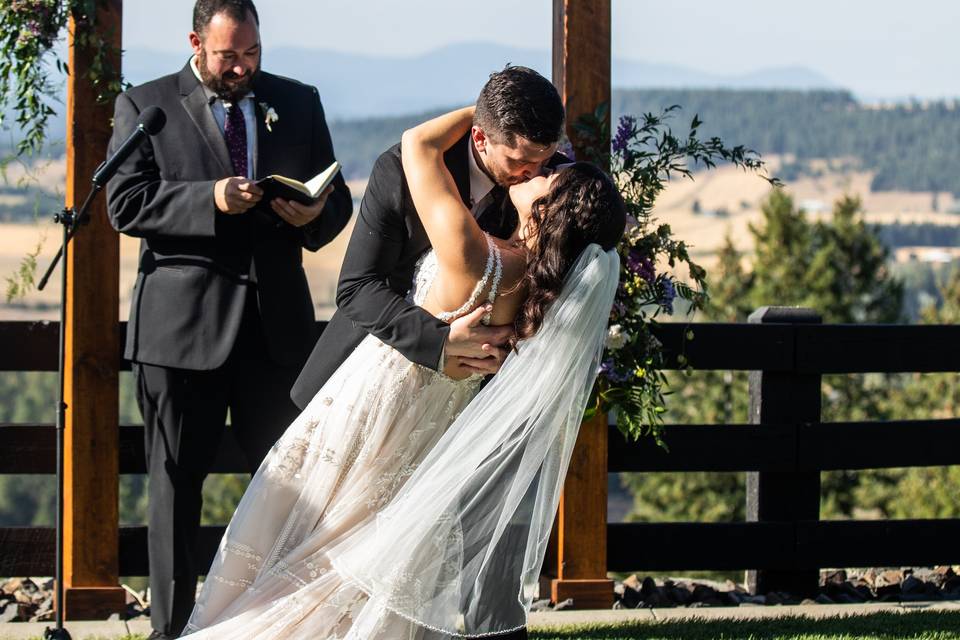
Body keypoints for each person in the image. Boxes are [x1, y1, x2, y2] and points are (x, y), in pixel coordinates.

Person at [181, 106, 625, 638]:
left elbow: (418, 143)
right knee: (357, 551)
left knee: (314, 542)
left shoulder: (477, 256)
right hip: (431, 429)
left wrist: (481, 111)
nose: (539, 170)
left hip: (377, 403)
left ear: (552, 210)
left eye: (549, 174)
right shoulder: (534, 288)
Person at [104, 1, 352, 637]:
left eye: (251, 54)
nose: (241, 68)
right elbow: (125, 203)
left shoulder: (298, 101)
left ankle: (289, 624)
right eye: (227, 56)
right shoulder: (146, 106)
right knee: (175, 488)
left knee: (292, 487)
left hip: (276, 330)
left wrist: (314, 217)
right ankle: (169, 629)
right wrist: (208, 200)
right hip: (181, 335)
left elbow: (334, 195)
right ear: (195, 42)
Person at [290, 65, 568, 410]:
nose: (534, 173)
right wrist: (442, 341)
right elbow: (357, 288)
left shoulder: (542, 186)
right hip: (366, 378)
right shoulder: (400, 170)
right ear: (480, 138)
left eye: (544, 161)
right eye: (521, 161)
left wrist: (505, 351)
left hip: (468, 404)